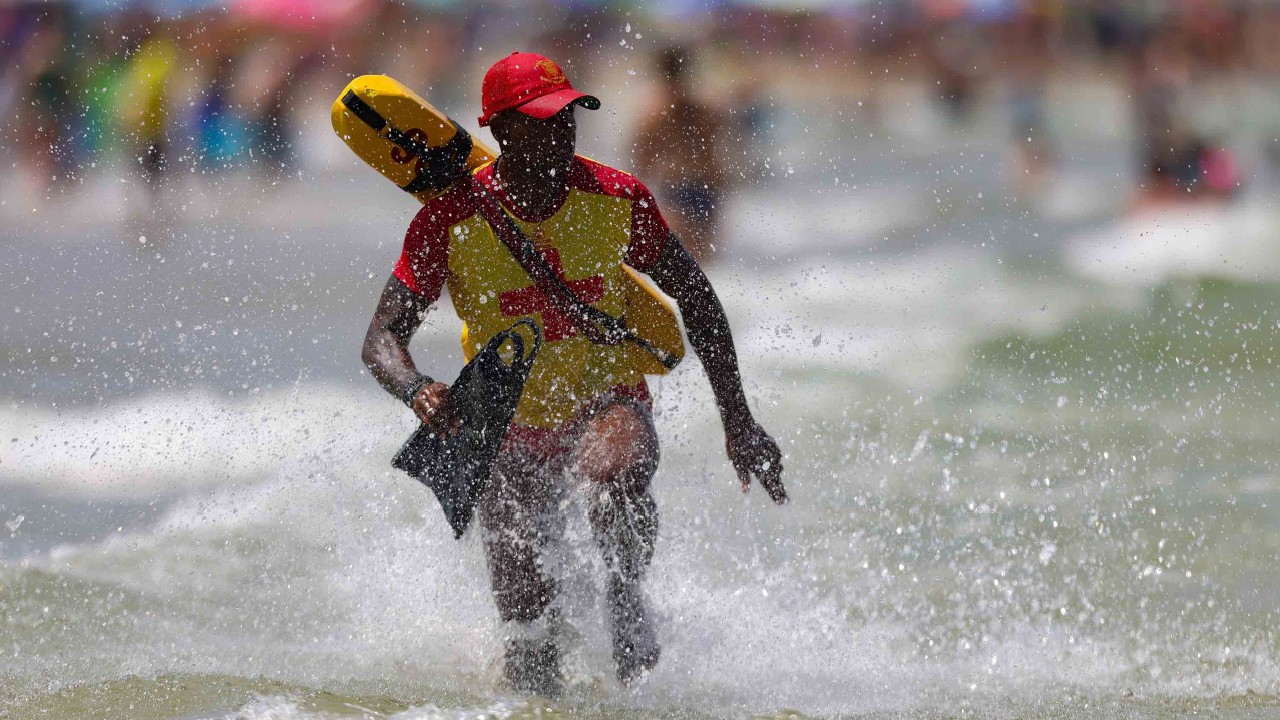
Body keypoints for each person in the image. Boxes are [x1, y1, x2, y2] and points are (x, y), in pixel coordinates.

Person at [361, 52, 785, 696]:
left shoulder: (618, 199)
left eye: (568, 117)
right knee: (529, 639)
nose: (561, 133)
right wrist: (417, 388)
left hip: (606, 395)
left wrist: (741, 421)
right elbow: (381, 339)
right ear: (500, 130)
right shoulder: (446, 220)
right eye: (541, 122)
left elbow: (696, 297)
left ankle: (626, 595)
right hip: (505, 424)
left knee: (613, 471)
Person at [632, 46, 735, 263]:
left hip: (679, 188)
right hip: (701, 188)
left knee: (685, 262)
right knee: (702, 262)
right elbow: (720, 155)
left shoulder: (654, 115)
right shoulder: (704, 110)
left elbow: (642, 161)